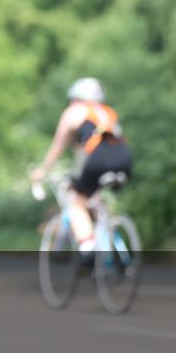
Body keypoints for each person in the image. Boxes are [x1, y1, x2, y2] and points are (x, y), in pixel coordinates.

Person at [30, 78, 132, 257]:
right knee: (94, 198)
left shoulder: (74, 111)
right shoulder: (107, 112)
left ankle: (88, 247)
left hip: (99, 159)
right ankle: (110, 242)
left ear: (76, 98)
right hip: (124, 157)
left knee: (76, 203)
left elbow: (58, 146)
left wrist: (42, 171)